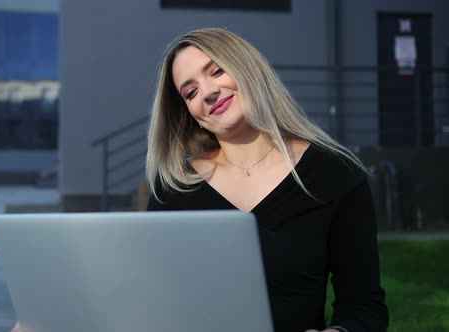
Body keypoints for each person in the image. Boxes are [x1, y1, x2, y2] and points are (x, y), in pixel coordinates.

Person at [146, 28, 389, 332]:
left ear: (247, 68)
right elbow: (156, 304)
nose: (208, 92)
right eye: (190, 92)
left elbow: (364, 306)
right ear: (187, 113)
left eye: (217, 70)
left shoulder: (335, 174)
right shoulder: (173, 190)